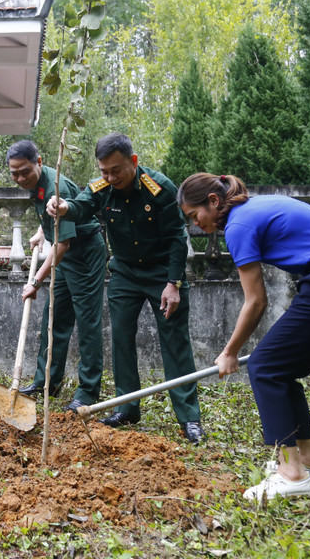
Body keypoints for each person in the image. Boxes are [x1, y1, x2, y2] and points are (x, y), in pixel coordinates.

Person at [177, 173, 310, 500]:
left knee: (266, 367)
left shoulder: (239, 227)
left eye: (194, 215)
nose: (196, 224)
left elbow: (256, 301)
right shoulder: (250, 211)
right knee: (279, 370)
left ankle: (291, 475)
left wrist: (230, 351)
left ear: (213, 202)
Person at [47, 132, 204, 443]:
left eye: (116, 170)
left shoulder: (159, 190)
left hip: (163, 273)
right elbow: (83, 204)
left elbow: (177, 238)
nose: (109, 177)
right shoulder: (102, 188)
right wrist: (64, 207)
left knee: (174, 342)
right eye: (104, 171)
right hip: (124, 274)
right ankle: (127, 407)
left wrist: (174, 283)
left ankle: (189, 418)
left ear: (133, 162)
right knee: (121, 337)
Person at [6, 140, 107, 411]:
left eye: (24, 171)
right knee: (54, 318)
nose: (19, 178)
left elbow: (62, 243)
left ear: (39, 162)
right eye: (14, 173)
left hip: (84, 252)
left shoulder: (54, 186)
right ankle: (46, 382)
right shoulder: (35, 185)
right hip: (66, 254)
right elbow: (53, 226)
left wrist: (35, 282)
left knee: (87, 322)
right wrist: (42, 232)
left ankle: (87, 391)